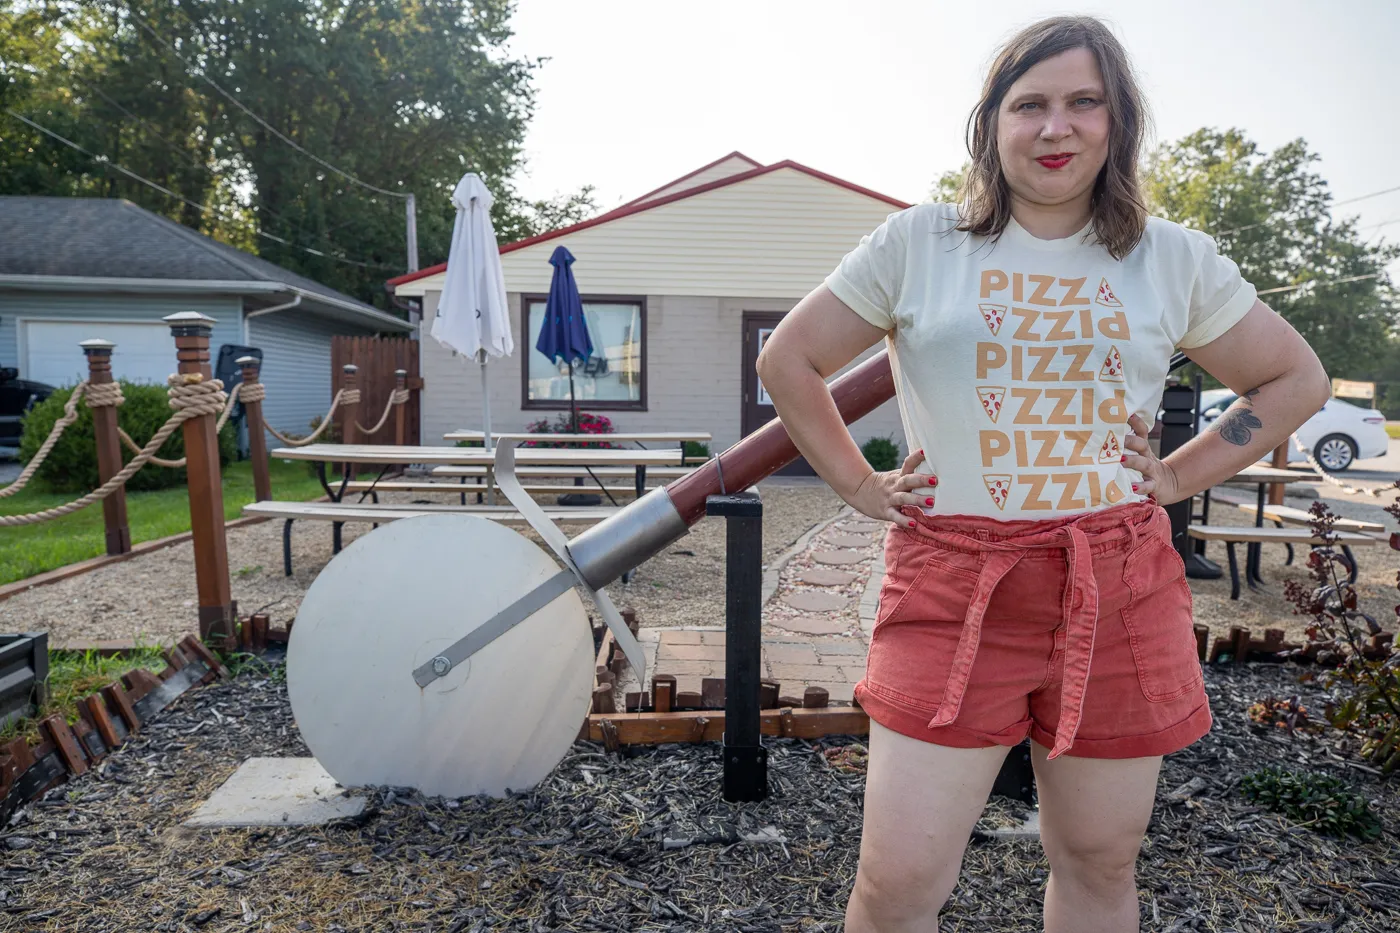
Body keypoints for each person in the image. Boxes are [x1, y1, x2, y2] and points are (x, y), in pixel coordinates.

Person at [755, 15, 1329, 933]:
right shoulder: (919, 243)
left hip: (1118, 578)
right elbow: (790, 360)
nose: (1055, 127)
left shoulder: (1169, 256)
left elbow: (1295, 377)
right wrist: (860, 488)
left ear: (1118, 123)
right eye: (1029, 104)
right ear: (991, 125)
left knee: (1099, 859)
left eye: (1082, 103)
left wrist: (1177, 477)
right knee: (898, 881)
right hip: (952, 579)